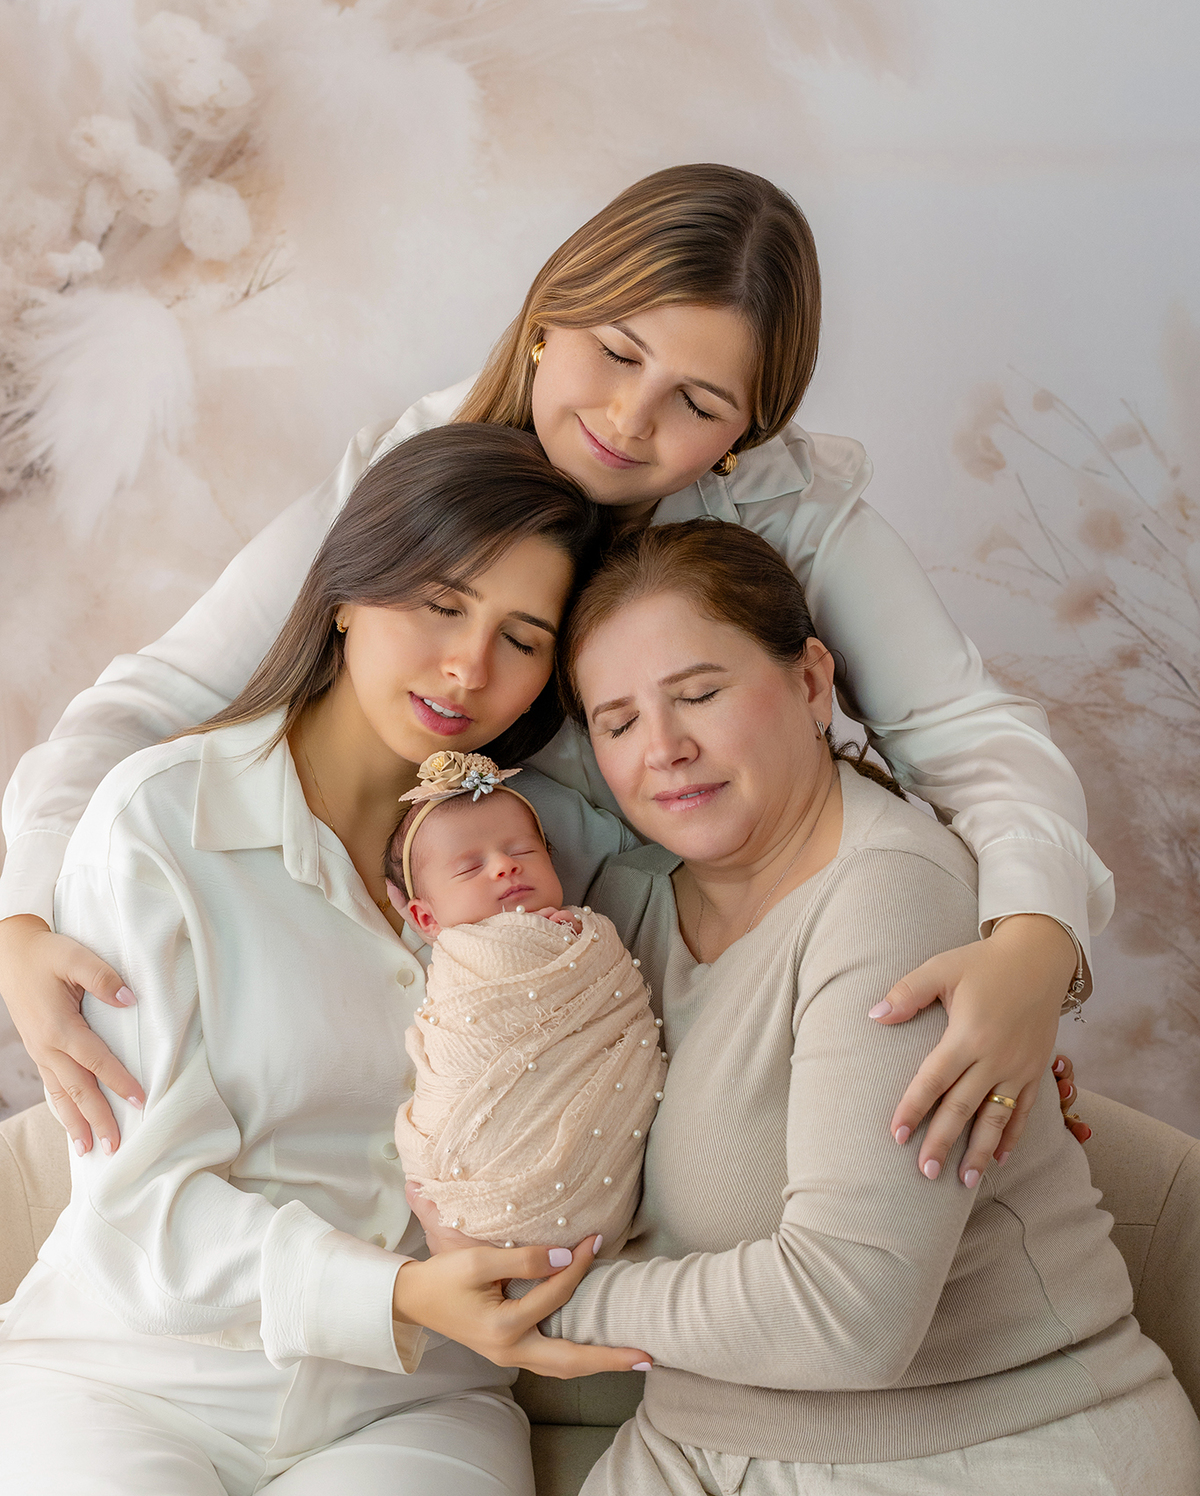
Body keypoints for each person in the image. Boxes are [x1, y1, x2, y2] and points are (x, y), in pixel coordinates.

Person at [0, 162, 1097, 1188]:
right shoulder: (419, 473)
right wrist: (22, 922)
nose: (631, 419)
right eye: (617, 354)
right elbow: (147, 707)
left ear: (741, 438)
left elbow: (968, 737)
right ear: (544, 320)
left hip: (676, 971)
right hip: (425, 967)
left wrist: (1030, 947)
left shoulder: (787, 510)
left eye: (698, 403)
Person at [0, 427, 655, 1496]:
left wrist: (1006, 991)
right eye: (439, 604)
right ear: (348, 592)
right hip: (126, 1380)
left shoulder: (556, 862)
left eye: (521, 639)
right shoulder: (164, 819)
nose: (468, 669)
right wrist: (398, 1297)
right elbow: (144, 1213)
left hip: (410, 1410)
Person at [488, 519, 1198, 1496]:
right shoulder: (622, 911)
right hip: (693, 1475)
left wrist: (550, 1305)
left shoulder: (890, 890)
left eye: (701, 693)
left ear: (812, 680)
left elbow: (848, 1314)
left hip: (974, 1477)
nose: (661, 745)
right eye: (619, 720)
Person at [387, 747, 665, 1252]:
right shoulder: (463, 959)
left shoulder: (588, 935)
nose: (504, 868)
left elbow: (616, 1004)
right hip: (474, 1163)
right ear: (427, 920)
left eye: (523, 852)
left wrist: (580, 941)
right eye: (470, 868)